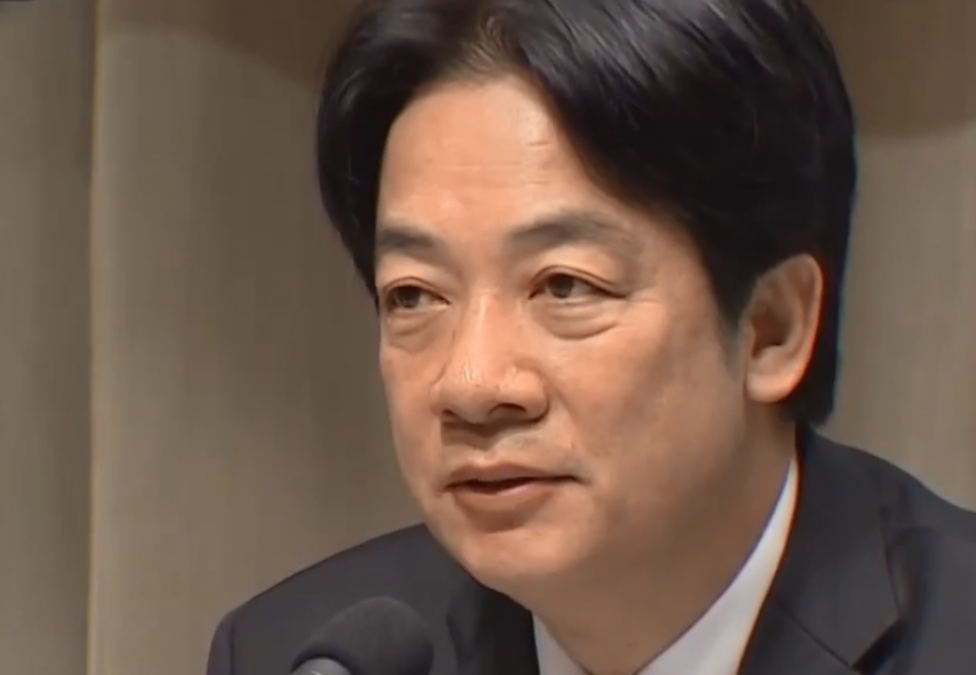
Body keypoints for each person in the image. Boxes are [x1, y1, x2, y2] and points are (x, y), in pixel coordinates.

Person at [207, 0, 976, 673]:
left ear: (772, 328)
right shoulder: (301, 656)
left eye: (565, 286)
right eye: (415, 294)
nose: (471, 385)